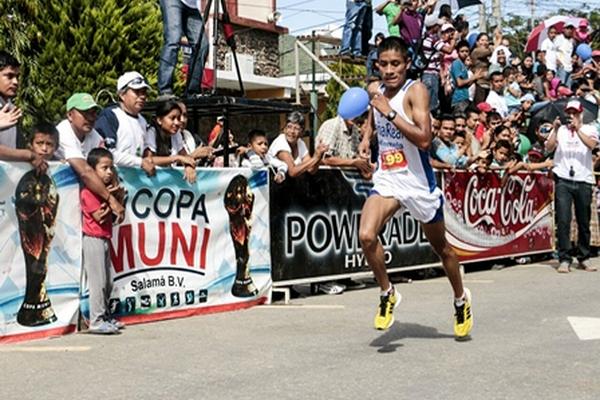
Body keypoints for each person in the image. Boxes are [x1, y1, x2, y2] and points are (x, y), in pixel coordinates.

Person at [357, 37, 473, 339]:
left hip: (417, 181)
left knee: (442, 248)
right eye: (383, 64)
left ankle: (461, 299)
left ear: (407, 64)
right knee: (366, 235)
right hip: (388, 178)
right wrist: (365, 139)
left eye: (395, 64)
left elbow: (424, 140)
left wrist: (389, 112)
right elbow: (373, 115)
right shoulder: (376, 91)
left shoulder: (416, 91)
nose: (389, 70)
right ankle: (387, 293)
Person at [545, 100, 599, 273]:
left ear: (581, 114)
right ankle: (564, 257)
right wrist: (554, 129)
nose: (571, 116)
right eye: (569, 113)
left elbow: (592, 145)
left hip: (583, 179)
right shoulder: (561, 130)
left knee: (583, 220)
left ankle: (584, 256)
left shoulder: (589, 129)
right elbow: (549, 147)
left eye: (575, 113)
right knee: (563, 219)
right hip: (563, 178)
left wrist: (578, 130)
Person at [55, 93, 125, 222]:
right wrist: (111, 199)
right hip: (60, 201)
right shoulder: (62, 132)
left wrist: (114, 188)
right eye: (85, 113)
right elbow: (85, 171)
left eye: (93, 113)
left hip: (81, 201)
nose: (91, 118)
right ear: (70, 115)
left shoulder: (94, 135)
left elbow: (107, 162)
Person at [81, 148, 125, 334]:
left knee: (107, 282)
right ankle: (96, 320)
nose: (109, 172)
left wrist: (116, 197)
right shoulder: (89, 192)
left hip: (105, 237)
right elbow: (99, 216)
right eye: (104, 168)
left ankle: (105, 315)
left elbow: (114, 218)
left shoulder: (104, 191)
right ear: (92, 170)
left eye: (111, 168)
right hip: (93, 238)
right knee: (98, 282)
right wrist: (112, 200)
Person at [95, 71, 156, 176]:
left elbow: (144, 151)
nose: (142, 96)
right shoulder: (110, 115)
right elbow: (108, 154)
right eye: (137, 92)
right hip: (111, 179)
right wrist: (140, 162)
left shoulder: (143, 120)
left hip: (135, 182)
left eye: (144, 92)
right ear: (122, 94)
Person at [158, 0, 209, 97]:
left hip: (192, 6)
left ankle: (192, 92)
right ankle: (164, 90)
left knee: (202, 46)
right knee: (173, 40)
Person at [143, 99, 197, 183]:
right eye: (172, 118)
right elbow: (148, 159)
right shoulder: (152, 133)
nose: (177, 122)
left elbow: (186, 157)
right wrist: (176, 158)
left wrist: (188, 166)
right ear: (159, 120)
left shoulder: (176, 134)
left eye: (178, 118)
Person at [268, 111, 328, 178]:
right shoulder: (280, 143)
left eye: (296, 128)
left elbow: (311, 169)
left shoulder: (300, 143)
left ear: (301, 131)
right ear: (284, 129)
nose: (292, 131)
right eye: (289, 127)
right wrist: (315, 158)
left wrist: (319, 155)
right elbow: (292, 172)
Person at [316, 113, 373, 179]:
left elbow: (355, 156)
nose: (353, 116)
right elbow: (324, 159)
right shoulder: (332, 125)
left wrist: (365, 167)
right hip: (326, 179)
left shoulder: (355, 130)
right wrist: (353, 162)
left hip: (344, 181)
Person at [451, 40, 485, 114]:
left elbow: (466, 85)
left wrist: (475, 78)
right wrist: (473, 78)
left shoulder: (464, 66)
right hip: (459, 99)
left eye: (466, 51)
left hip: (465, 98)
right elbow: (459, 83)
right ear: (457, 52)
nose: (465, 53)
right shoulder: (457, 63)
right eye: (462, 51)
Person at [176, 100, 214, 165]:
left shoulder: (189, 135)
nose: (182, 120)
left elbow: (202, 149)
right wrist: (194, 155)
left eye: (185, 115)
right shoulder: (164, 138)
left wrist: (207, 154)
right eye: (178, 116)